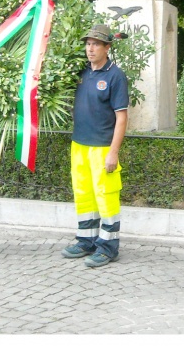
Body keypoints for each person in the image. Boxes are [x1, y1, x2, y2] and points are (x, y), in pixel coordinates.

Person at [61, 24, 129, 268]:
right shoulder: (80, 72)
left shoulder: (115, 76)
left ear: (107, 47)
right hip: (79, 144)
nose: (90, 49)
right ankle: (86, 240)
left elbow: (121, 117)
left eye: (96, 44)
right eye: (88, 43)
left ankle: (108, 247)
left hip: (102, 147)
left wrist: (113, 151)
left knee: (106, 196)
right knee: (84, 194)